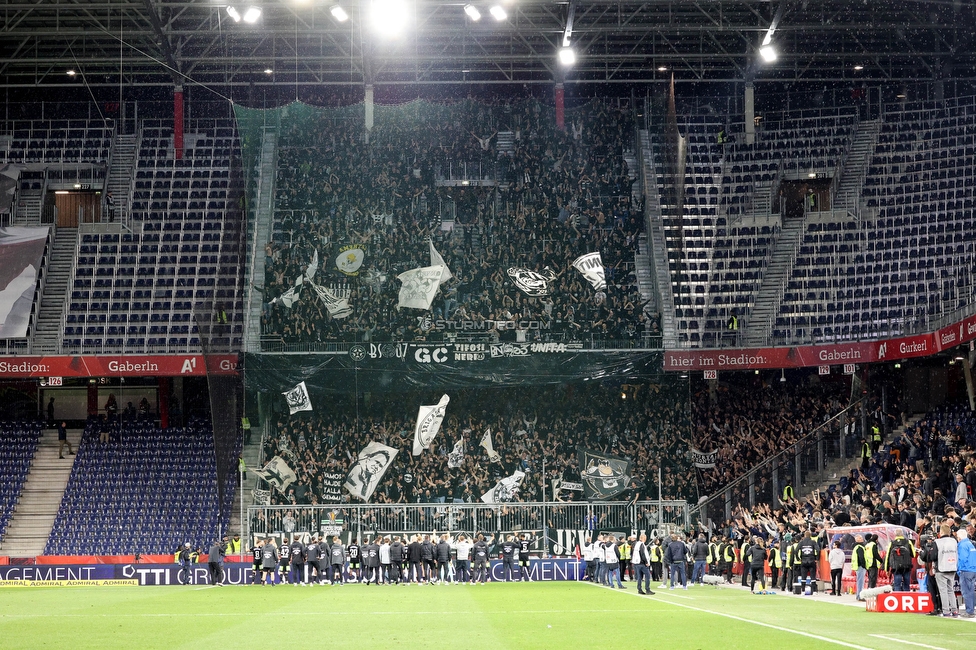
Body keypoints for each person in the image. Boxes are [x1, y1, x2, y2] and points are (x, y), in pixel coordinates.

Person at [934, 524, 960, 617]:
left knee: (943, 591)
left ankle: (946, 611)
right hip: (952, 567)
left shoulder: (937, 542)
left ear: (941, 532)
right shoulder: (954, 541)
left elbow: (933, 556)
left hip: (941, 568)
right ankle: (954, 610)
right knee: (950, 590)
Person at [957, 528, 976, 618]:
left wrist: (959, 570)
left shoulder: (962, 545)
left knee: (966, 592)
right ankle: (971, 610)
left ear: (959, 537)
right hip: (973, 570)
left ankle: (970, 612)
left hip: (966, 570)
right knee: (971, 591)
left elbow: (962, 559)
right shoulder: (970, 544)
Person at [796, 530, 820, 594]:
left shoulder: (801, 542)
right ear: (810, 536)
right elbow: (818, 550)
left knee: (803, 577)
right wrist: (817, 558)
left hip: (803, 560)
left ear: (804, 536)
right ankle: (814, 591)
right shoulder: (813, 542)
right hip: (812, 560)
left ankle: (803, 591)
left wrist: (798, 558)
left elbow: (796, 550)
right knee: (813, 576)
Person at [851, 534, 867, 600]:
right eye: (860, 538)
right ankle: (860, 596)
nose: (862, 539)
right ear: (857, 539)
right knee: (861, 582)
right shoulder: (860, 547)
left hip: (858, 566)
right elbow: (861, 558)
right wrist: (864, 565)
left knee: (860, 581)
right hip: (860, 566)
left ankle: (858, 595)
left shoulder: (856, 547)